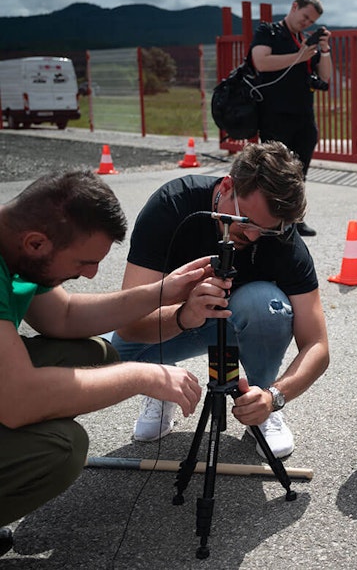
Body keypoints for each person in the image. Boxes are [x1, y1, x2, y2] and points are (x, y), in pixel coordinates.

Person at [0, 171, 209, 554]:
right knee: (59, 450)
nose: (91, 273)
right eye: (84, 261)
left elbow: (63, 317)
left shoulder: (16, 247)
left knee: (92, 355)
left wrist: (162, 293)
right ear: (35, 242)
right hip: (11, 398)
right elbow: (16, 402)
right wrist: (140, 375)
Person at [110, 141, 330, 459]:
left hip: (237, 321)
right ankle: (159, 384)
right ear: (227, 186)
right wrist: (186, 313)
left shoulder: (281, 236)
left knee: (265, 304)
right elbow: (129, 324)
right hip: (174, 321)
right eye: (246, 222)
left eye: (265, 230)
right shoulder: (171, 205)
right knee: (107, 357)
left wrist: (275, 396)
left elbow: (318, 346)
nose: (253, 236)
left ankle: (259, 404)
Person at [250, 0, 332, 237]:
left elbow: (326, 77)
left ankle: (293, 220)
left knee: (300, 170)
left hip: (304, 115)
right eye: (305, 17)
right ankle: (267, 219)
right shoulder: (269, 32)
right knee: (274, 171)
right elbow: (261, 62)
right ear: (294, 6)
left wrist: (324, 50)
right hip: (275, 114)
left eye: (311, 22)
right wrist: (298, 58)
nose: (306, 23)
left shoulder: (305, 42)